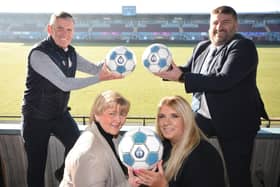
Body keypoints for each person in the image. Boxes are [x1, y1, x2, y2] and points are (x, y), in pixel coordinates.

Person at [154, 6, 269, 187]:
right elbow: (189, 71)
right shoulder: (202, 47)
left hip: (237, 121)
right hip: (203, 117)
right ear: (209, 25)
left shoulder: (243, 46)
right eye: (215, 22)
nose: (219, 26)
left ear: (236, 25)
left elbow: (224, 80)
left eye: (226, 22)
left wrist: (182, 76)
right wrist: (166, 70)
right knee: (173, 145)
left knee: (237, 173)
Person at [21, 11, 123, 187]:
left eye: (69, 30)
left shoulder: (71, 52)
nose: (64, 34)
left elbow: (94, 68)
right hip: (36, 117)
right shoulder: (38, 54)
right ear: (49, 29)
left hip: (59, 114)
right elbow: (64, 83)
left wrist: (114, 62)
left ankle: (62, 174)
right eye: (60, 28)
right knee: (37, 167)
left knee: (78, 144)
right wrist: (100, 78)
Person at [134, 95, 225, 187]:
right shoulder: (162, 147)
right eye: (162, 116)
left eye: (174, 116)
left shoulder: (203, 156)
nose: (166, 122)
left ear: (186, 119)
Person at [59, 90, 139, 187]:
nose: (118, 120)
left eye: (122, 114)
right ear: (96, 115)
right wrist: (129, 185)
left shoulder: (109, 135)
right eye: (112, 113)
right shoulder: (90, 155)